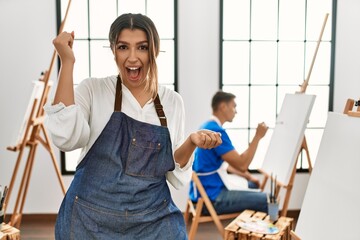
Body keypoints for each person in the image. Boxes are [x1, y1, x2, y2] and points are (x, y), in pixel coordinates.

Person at [44, 13, 222, 239]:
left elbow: (174, 172)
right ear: (113, 50)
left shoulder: (172, 101)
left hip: (151, 219)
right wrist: (67, 61)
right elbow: (66, 137)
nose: (132, 58)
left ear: (154, 50)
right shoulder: (94, 90)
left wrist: (192, 142)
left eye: (142, 47)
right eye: (123, 47)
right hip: (90, 218)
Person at [189, 90, 269, 215]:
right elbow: (242, 165)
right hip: (211, 196)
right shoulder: (216, 131)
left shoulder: (207, 125)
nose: (236, 111)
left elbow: (228, 164)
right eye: (234, 106)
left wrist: (248, 176)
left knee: (252, 184)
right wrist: (257, 137)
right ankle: (250, 232)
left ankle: (245, 231)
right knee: (268, 200)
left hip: (203, 191)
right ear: (223, 106)